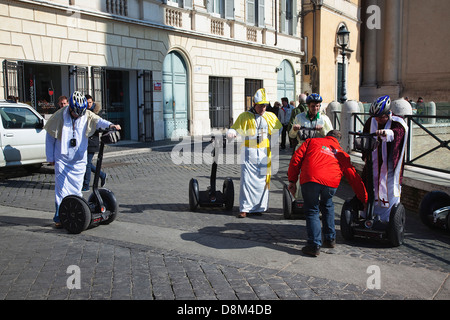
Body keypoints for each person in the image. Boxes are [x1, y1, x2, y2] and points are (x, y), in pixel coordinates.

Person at [45, 91, 121, 228]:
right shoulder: (59, 116)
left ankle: (76, 212)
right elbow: (50, 138)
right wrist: (50, 157)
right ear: (70, 108)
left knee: (76, 188)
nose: (78, 115)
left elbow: (99, 121)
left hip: (79, 159)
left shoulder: (86, 114)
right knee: (61, 189)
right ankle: (59, 217)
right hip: (62, 158)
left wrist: (111, 125)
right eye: (76, 112)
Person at [287, 130, 368, 257]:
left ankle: (314, 245)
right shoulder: (341, 152)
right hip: (331, 182)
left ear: (327, 136)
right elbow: (353, 176)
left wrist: (292, 180)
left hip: (311, 179)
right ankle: (330, 239)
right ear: (338, 140)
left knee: (312, 210)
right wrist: (364, 198)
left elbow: (296, 159)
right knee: (327, 204)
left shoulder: (312, 141)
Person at [227, 88, 282, 218]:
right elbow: (235, 128)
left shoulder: (270, 116)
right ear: (254, 104)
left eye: (265, 105)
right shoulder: (244, 116)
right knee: (247, 180)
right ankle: (245, 208)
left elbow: (278, 129)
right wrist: (232, 133)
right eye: (261, 105)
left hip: (264, 152)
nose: (263, 108)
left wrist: (274, 140)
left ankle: (259, 207)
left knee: (263, 181)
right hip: (249, 152)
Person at [361, 95, 408, 223]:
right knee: (369, 186)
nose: (378, 119)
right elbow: (365, 136)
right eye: (376, 116)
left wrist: (387, 133)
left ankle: (389, 219)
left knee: (389, 189)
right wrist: (365, 154)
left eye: (381, 117)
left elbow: (398, 133)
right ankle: (367, 213)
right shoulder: (371, 122)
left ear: (388, 113)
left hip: (389, 165)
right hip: (373, 162)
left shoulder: (398, 122)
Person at [82, 95, 107, 191]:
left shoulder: (96, 113)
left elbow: (100, 125)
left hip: (93, 141)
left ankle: (86, 185)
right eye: (87, 102)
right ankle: (102, 174)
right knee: (86, 163)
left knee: (87, 163)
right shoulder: (82, 112)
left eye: (90, 102)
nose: (88, 104)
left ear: (93, 102)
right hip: (84, 141)